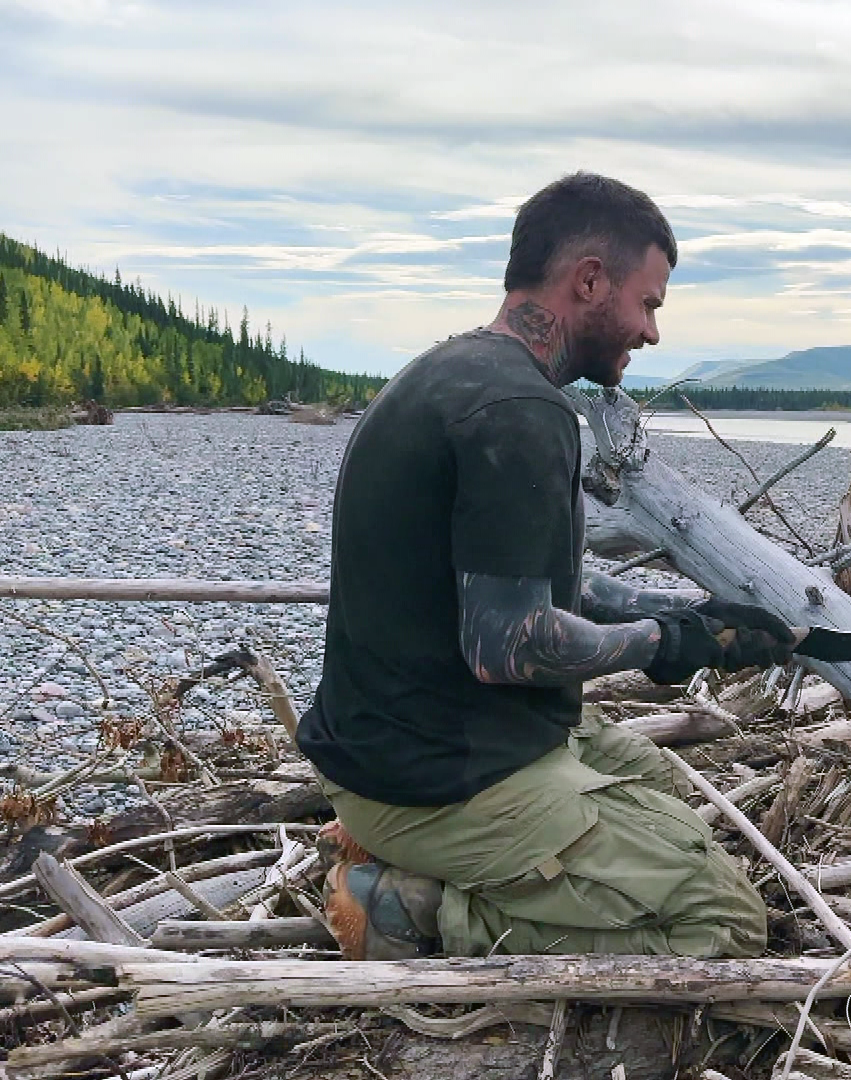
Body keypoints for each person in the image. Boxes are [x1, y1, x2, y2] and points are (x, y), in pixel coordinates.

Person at [296, 173, 794, 960]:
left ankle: (409, 849)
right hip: (432, 780)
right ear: (589, 280)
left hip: (411, 747)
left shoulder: (453, 373)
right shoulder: (521, 413)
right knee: (726, 920)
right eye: (648, 304)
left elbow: (536, 583)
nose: (651, 332)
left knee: (664, 796)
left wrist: (682, 615)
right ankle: (410, 910)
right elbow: (508, 644)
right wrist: (666, 646)